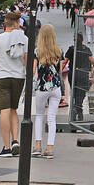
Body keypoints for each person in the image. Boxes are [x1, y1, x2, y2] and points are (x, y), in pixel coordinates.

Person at [0, 12, 29, 157]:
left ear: (6, 23)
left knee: (4, 110)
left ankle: (6, 146)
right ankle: (15, 140)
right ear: (17, 22)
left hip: (2, 77)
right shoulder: (24, 39)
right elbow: (27, 61)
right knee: (13, 109)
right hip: (18, 77)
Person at [31, 24, 64, 158]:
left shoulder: (37, 52)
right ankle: (49, 148)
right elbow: (60, 71)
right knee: (52, 118)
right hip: (55, 88)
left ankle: (38, 145)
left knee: (39, 116)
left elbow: (33, 70)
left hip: (42, 87)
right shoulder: (59, 51)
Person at [64, 38, 94, 122]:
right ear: (82, 40)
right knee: (81, 92)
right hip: (83, 73)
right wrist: (93, 73)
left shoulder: (71, 49)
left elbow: (65, 61)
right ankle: (78, 109)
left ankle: (76, 109)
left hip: (73, 73)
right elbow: (93, 61)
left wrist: (60, 71)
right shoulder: (86, 49)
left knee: (74, 91)